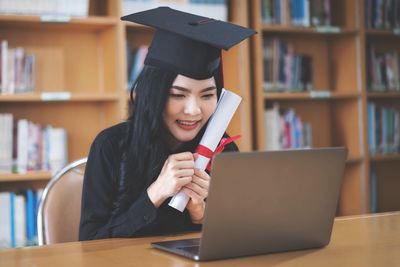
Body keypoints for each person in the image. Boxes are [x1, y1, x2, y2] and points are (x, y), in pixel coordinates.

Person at [79, 7, 256, 240]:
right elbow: (89, 243)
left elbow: (239, 240)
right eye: (178, 95)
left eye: (206, 95)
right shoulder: (111, 146)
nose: (193, 110)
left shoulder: (223, 150)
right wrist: (156, 193)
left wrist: (200, 214)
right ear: (154, 94)